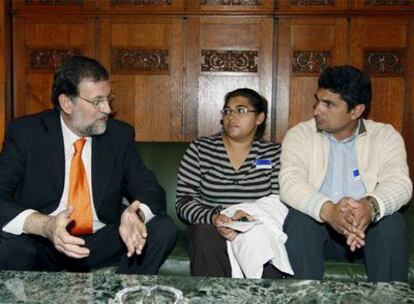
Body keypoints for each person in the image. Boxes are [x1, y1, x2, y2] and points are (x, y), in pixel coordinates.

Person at [0, 55, 177, 274]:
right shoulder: (27, 133)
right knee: (8, 242)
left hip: (99, 240)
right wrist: (44, 226)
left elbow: (149, 188)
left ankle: (122, 295)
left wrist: (135, 216)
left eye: (108, 99)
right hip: (43, 242)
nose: (107, 109)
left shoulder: (118, 135)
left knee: (163, 228)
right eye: (96, 101)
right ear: (66, 103)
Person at [280, 65, 412, 282]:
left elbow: (400, 183)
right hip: (320, 232)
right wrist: (328, 210)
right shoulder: (300, 134)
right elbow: (289, 183)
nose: (317, 110)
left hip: (367, 232)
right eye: (318, 100)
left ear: (356, 111)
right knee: (300, 220)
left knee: (390, 222)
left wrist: (369, 207)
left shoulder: (384, 135)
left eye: (329, 104)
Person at [176, 88, 283, 278]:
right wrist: (215, 217)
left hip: (257, 226)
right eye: (227, 111)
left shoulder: (273, 153)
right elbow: (184, 201)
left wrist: (250, 218)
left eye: (241, 110)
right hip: (211, 227)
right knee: (203, 233)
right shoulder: (201, 149)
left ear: (259, 118)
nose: (231, 116)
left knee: (264, 238)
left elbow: (278, 202)